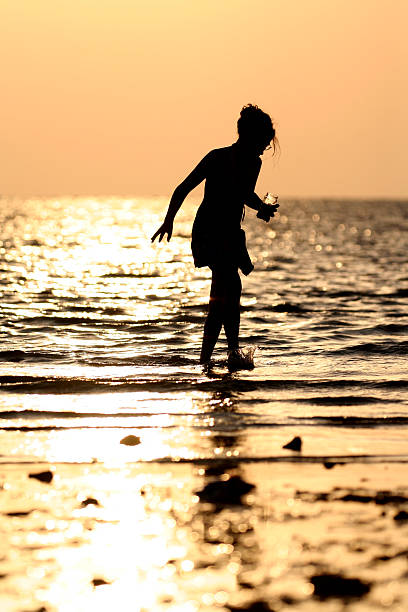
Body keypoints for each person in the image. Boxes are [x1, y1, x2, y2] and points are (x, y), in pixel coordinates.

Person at [151, 104, 279, 369]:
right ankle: (216, 359)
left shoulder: (254, 162)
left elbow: (245, 193)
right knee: (227, 289)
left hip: (230, 234)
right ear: (251, 136)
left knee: (229, 293)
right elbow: (183, 188)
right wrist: (168, 220)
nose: (264, 149)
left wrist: (262, 208)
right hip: (210, 232)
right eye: (264, 142)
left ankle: (223, 356)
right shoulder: (217, 157)